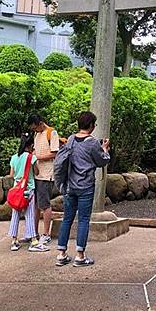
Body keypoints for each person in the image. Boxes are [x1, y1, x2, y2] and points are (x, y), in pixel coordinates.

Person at [55, 111, 110, 267]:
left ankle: (61, 254)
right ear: (91, 125)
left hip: (69, 186)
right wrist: (105, 149)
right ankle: (80, 256)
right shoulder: (92, 143)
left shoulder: (71, 139)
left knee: (67, 218)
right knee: (84, 220)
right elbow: (102, 161)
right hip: (85, 186)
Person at [8, 135, 49, 252]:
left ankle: (14, 241)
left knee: (15, 214)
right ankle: (33, 241)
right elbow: (37, 171)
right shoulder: (31, 157)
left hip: (16, 189)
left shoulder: (14, 157)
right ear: (31, 145)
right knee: (29, 214)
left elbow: (11, 175)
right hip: (28, 189)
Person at [28, 114, 59, 245]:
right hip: (36, 174)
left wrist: (38, 157)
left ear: (41, 123)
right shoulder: (37, 135)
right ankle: (34, 233)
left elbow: (55, 153)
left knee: (45, 205)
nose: (35, 130)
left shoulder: (51, 133)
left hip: (46, 174)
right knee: (35, 205)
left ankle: (46, 233)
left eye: (36, 128)